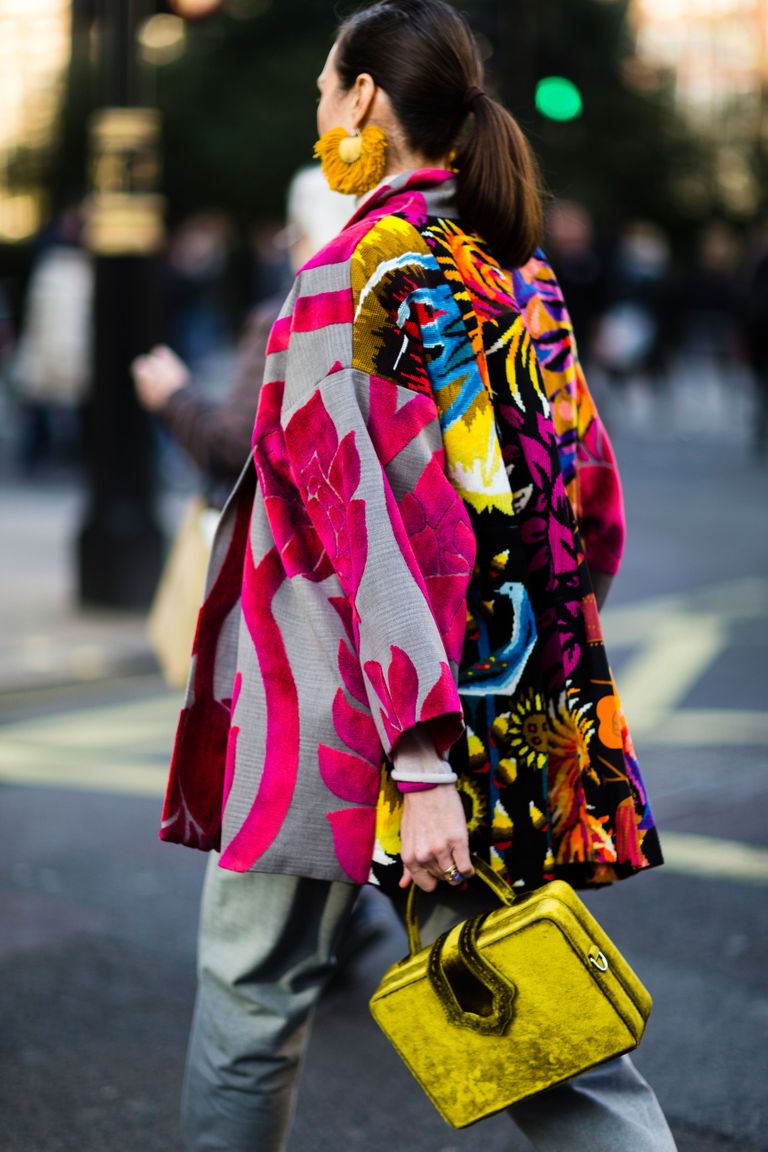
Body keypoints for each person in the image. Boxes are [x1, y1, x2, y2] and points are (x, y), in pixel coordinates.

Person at [158, 2, 676, 1149]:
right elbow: (589, 508)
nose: (317, 114)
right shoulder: (519, 272)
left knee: (254, 1000)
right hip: (491, 706)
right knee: (547, 1028)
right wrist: (505, 683)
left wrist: (418, 750)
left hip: (341, 715)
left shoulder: (348, 279)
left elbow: (356, 531)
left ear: (366, 102)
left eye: (324, 91)